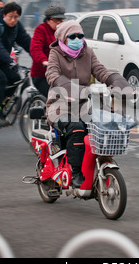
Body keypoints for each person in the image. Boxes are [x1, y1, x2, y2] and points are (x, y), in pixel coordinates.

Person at [45, 20, 133, 188]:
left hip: (84, 105)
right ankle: (76, 171)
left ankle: (95, 166)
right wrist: (68, 88)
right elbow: (52, 74)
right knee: (77, 128)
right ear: (64, 38)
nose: (77, 39)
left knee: (104, 126)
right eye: (72, 36)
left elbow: (101, 71)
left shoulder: (88, 52)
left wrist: (119, 83)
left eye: (80, 36)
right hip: (59, 106)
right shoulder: (55, 53)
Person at [30, 4, 66, 97]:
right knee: (55, 97)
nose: (59, 23)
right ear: (48, 20)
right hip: (42, 75)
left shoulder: (63, 32)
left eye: (61, 20)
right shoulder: (41, 29)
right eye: (56, 20)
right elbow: (35, 48)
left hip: (60, 74)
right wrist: (44, 61)